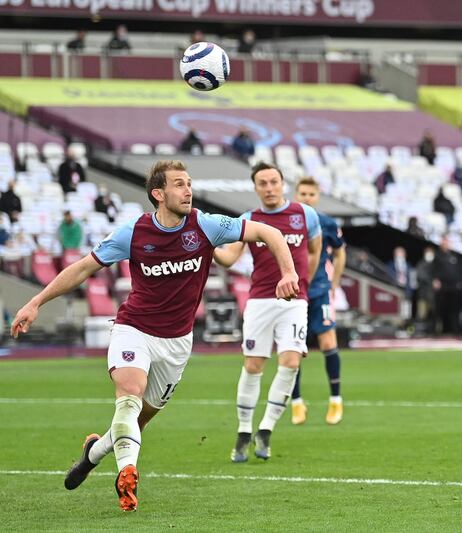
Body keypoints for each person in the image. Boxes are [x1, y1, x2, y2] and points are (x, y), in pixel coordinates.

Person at [10, 159, 299, 512]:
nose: (188, 189)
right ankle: (127, 474)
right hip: (135, 329)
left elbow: (269, 233)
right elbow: (84, 267)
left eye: (189, 183)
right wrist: (36, 301)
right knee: (128, 397)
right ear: (158, 194)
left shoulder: (205, 225)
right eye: (179, 184)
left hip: (177, 342)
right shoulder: (132, 233)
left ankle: (94, 452)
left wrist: (288, 272)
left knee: (139, 419)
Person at [213, 162, 321, 463]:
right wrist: (208, 246)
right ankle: (244, 431)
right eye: (263, 183)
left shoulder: (305, 215)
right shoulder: (249, 220)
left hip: (295, 301)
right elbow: (229, 258)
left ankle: (266, 429)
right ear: (256, 188)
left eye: (274, 181)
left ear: (283, 183)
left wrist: (304, 287)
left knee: (290, 361)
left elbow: (314, 253)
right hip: (260, 300)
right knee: (253, 365)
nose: (269, 187)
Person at [290, 176, 347, 425]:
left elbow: (341, 252)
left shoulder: (327, 222)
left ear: (317, 195)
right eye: (302, 193)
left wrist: (334, 284)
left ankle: (335, 400)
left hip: (320, 289)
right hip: (293, 290)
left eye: (311, 194)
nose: (306, 198)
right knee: (291, 347)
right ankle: (296, 403)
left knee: (328, 341)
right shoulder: (287, 221)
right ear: (296, 194)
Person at [432, 237, 462, 334]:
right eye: (444, 242)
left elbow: (459, 270)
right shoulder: (437, 255)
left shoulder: (455, 255)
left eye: (447, 242)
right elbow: (433, 270)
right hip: (442, 286)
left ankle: (455, 330)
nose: (446, 244)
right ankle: (436, 331)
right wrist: (435, 280)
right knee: (439, 309)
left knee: (454, 309)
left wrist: (459, 282)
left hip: (454, 286)